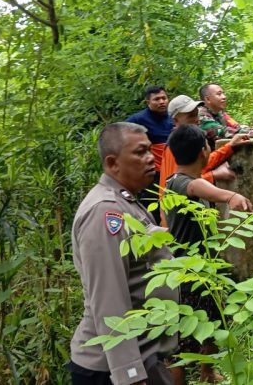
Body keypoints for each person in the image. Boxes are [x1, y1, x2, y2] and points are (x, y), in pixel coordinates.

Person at [68, 122, 178, 385]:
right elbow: (109, 298)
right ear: (113, 163)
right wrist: (129, 374)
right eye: (140, 152)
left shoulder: (126, 201)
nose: (150, 158)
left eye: (150, 150)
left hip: (143, 356)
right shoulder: (105, 212)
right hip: (111, 369)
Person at [164, 124, 252, 384]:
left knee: (214, 322)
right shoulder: (179, 183)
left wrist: (231, 144)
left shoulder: (189, 178)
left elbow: (201, 182)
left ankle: (208, 372)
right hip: (187, 272)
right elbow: (197, 187)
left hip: (205, 267)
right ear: (204, 151)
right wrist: (231, 196)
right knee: (182, 340)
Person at [157, 94, 251, 225]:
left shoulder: (188, 141)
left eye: (197, 114)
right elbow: (181, 185)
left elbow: (202, 161)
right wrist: (213, 176)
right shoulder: (175, 147)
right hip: (175, 218)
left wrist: (230, 146)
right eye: (191, 116)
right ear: (175, 120)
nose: (197, 119)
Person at [127, 85, 174, 222]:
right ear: (148, 102)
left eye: (164, 98)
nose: (162, 101)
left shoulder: (173, 116)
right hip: (153, 174)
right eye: (157, 99)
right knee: (153, 209)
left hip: (173, 171)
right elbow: (120, 136)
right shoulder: (137, 120)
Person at [197, 83, 253, 148]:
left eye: (223, 93)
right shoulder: (200, 114)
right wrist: (252, 133)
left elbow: (236, 127)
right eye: (219, 94)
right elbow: (221, 132)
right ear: (208, 99)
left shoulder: (220, 113)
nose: (224, 97)